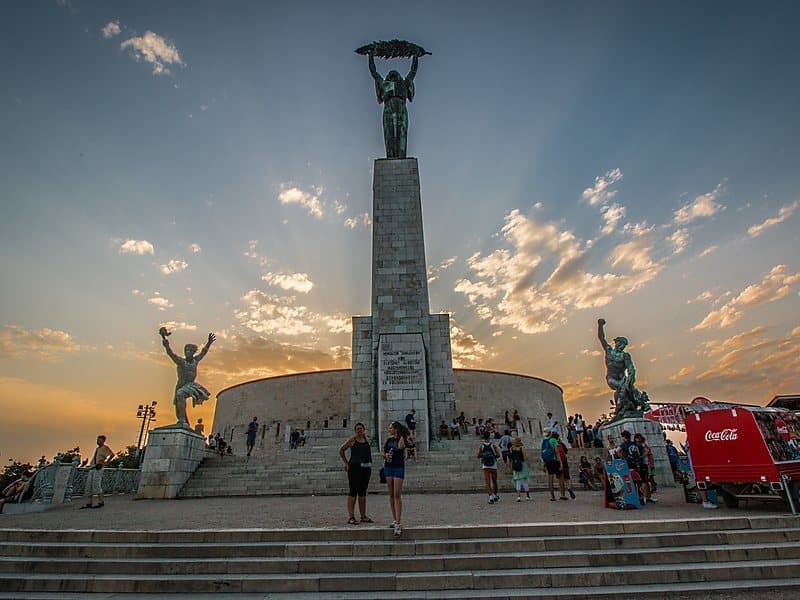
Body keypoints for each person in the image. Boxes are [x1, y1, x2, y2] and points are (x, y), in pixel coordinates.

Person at [159, 328, 215, 428]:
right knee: (178, 405)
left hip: (191, 385)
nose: (188, 352)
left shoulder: (195, 360)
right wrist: (165, 342)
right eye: (186, 350)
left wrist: (209, 343)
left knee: (180, 394)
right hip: (181, 384)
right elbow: (170, 353)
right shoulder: (180, 361)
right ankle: (183, 420)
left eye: (190, 350)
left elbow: (203, 352)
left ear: (193, 352)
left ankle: (182, 419)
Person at [367, 52, 418, 159]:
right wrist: (370, 56)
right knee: (389, 133)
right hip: (388, 107)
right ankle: (390, 156)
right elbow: (374, 73)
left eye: (395, 73)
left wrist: (415, 56)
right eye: (391, 73)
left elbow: (413, 71)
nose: (393, 73)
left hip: (401, 107)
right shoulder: (384, 84)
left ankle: (401, 156)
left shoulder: (404, 83)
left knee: (402, 133)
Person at [338, 423, 373, 525]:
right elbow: (341, 450)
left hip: (366, 468)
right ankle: (351, 516)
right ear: (355, 430)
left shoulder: (367, 440)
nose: (359, 430)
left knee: (362, 492)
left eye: (361, 428)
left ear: (364, 429)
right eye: (357, 429)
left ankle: (363, 516)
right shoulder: (352, 440)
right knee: (353, 491)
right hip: (354, 468)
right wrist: (346, 463)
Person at [384, 421, 409, 537]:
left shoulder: (401, 439)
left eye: (390, 427)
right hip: (388, 467)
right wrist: (385, 455)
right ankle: (395, 519)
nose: (389, 429)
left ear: (395, 429)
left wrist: (401, 435)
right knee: (391, 495)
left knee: (397, 494)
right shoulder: (389, 441)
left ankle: (398, 521)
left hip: (398, 467)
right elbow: (384, 452)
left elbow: (400, 447)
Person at [81, 435, 114, 509]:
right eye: (97, 440)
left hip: (98, 468)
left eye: (99, 440)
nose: (97, 441)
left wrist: (105, 463)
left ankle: (101, 501)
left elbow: (112, 455)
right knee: (89, 485)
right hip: (92, 467)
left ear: (103, 440)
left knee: (96, 484)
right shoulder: (97, 449)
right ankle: (89, 502)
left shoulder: (105, 448)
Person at [620, 430, 649, 503]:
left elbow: (617, 451)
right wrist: (641, 457)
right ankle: (642, 498)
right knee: (641, 481)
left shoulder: (624, 444)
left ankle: (634, 498)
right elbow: (646, 450)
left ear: (624, 437)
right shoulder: (636, 444)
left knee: (631, 481)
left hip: (629, 464)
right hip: (639, 464)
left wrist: (622, 458)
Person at [541, 430, 565, 501]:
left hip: (548, 461)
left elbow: (543, 453)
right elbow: (557, 452)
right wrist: (560, 462)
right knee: (560, 477)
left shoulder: (544, 441)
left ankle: (552, 496)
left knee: (550, 479)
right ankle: (562, 494)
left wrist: (544, 464)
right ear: (550, 433)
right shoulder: (553, 440)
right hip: (554, 460)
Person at [478, 431, 501, 504]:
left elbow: (478, 456)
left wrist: (483, 455)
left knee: (487, 482)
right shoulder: (493, 445)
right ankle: (495, 495)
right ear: (489, 437)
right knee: (494, 481)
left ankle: (490, 497)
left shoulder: (482, 446)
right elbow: (498, 455)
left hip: (485, 466)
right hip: (493, 465)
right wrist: (494, 456)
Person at [509, 437, 531, 501]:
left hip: (515, 465)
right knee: (525, 481)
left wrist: (511, 466)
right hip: (522, 465)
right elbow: (525, 458)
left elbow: (511, 458)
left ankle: (518, 496)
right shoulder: (522, 448)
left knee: (517, 481)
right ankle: (527, 496)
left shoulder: (511, 449)